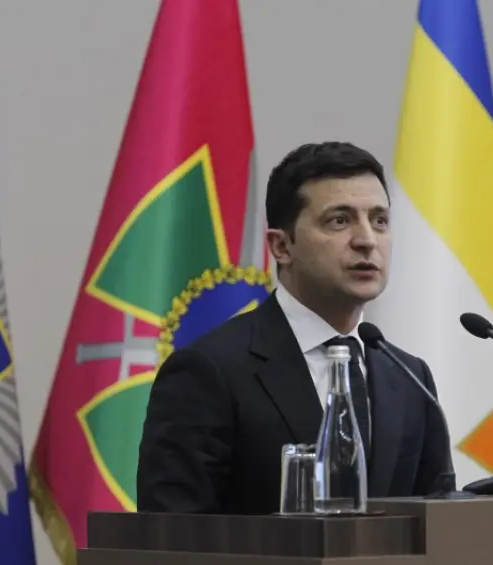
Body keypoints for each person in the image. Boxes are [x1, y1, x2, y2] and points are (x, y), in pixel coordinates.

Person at [136, 141, 451, 515]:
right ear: (282, 246)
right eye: (339, 220)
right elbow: (171, 531)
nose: (367, 240)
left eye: (379, 220)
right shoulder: (208, 372)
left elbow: (440, 522)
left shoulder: (411, 378)